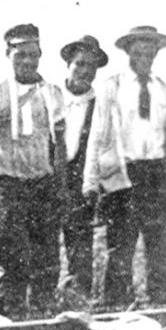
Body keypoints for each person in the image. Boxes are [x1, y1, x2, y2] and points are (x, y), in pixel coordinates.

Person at [0, 24, 67, 317]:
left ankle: (43, 327)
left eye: (33, 55)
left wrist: (60, 184)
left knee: (46, 263)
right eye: (20, 54)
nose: (27, 61)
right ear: (7, 53)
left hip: (43, 184)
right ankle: (9, 329)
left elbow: (59, 142)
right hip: (9, 186)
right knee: (10, 263)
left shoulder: (50, 92)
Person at [83, 26, 166, 308]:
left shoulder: (162, 89)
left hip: (156, 174)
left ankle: (160, 309)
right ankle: (116, 309)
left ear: (156, 54)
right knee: (120, 247)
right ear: (128, 53)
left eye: (149, 52)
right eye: (138, 52)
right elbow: (97, 135)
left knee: (158, 247)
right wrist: (90, 180)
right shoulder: (113, 86)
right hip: (123, 173)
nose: (144, 57)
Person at [57, 35, 108, 298]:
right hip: (47, 177)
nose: (85, 71)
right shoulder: (51, 96)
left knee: (80, 248)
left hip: (79, 179)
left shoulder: (99, 105)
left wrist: (91, 185)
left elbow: (97, 147)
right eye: (79, 64)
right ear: (68, 64)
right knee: (41, 246)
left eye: (91, 66)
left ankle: (78, 301)